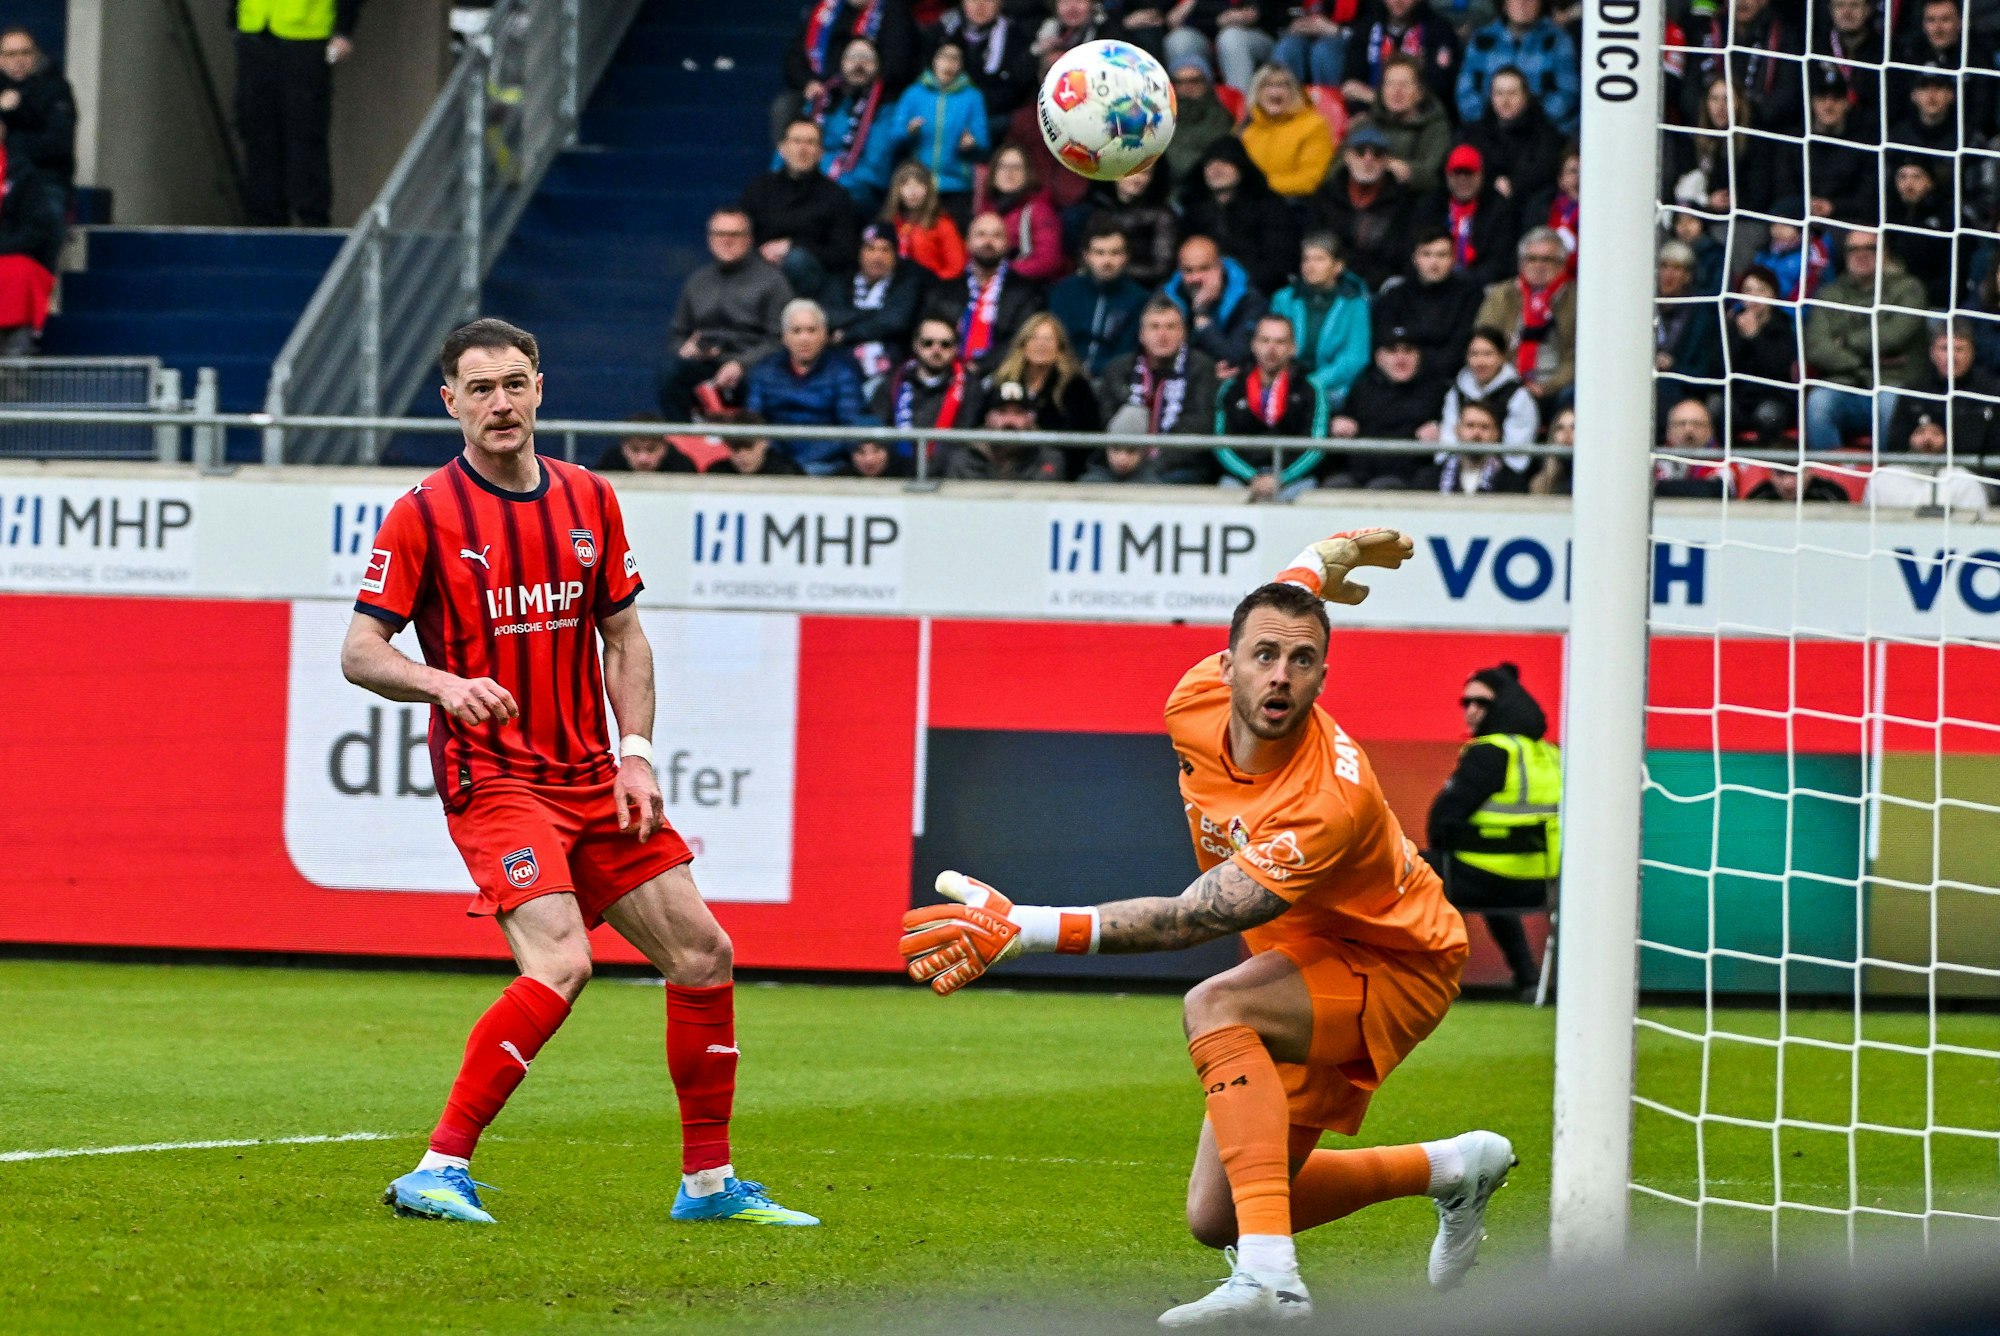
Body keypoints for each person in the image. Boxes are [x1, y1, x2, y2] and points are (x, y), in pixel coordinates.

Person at [900, 533, 1507, 1327]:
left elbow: (1195, 917)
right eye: (1263, 657)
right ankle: (1455, 1167)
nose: (1280, 675)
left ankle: (1271, 1282)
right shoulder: (1193, 701)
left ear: (1324, 677)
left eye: (1301, 662)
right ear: (1227, 668)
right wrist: (1316, 560)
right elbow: (1279, 606)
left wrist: (1030, 928)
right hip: (1304, 956)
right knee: (1216, 1217)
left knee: (1217, 1006)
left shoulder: (1329, 797)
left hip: (1398, 959)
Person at [349, 319, 817, 1229]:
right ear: (450, 402)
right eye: (479, 389)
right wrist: (444, 683)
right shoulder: (423, 515)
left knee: (702, 953)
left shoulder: (590, 497)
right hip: (496, 777)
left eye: (514, 384)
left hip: (591, 775)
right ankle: (437, 1170)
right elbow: (362, 652)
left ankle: (709, 1187)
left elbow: (624, 634)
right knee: (563, 960)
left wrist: (635, 754)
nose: (500, 404)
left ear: (539, 390)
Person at [1424, 661, 1560, 1000]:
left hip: (1482, 882)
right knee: (1485, 872)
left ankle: (1425, 978)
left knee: (1411, 868)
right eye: (1466, 702)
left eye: (1481, 703)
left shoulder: (1489, 752)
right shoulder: (1547, 753)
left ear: (1502, 705)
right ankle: (1527, 978)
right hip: (1543, 884)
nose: (1470, 711)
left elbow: (1441, 819)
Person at [233, 0, 358, 227]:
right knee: (257, 135)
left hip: (307, 36)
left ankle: (311, 225)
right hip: (254, 28)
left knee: (305, 137)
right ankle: (264, 225)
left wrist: (344, 29)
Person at [1802, 230, 1931, 449]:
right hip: (1847, 384)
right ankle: (1831, 479)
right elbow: (1816, 347)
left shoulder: (1909, 288)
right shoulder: (1829, 294)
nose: (1861, 255)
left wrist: (1846, 342)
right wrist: (1863, 363)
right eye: (1853, 249)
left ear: (1885, 253)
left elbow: (1894, 335)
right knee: (1818, 402)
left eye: (1870, 248)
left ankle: (1885, 476)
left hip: (1895, 382)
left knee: (1889, 401)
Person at [658, 207, 791, 419]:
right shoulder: (697, 281)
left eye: (734, 235)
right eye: (719, 234)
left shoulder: (773, 281)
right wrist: (686, 350)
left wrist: (740, 364)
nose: (726, 241)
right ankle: (685, 443)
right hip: (704, 365)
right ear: (710, 239)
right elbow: (677, 335)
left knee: (764, 380)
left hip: (752, 368)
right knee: (670, 372)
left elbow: (779, 339)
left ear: (749, 239)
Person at [1096, 297, 1222, 478]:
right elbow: (1106, 419)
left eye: (1170, 327)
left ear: (1183, 333)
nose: (1162, 334)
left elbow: (1199, 424)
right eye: (1154, 327)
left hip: (1180, 466)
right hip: (1121, 461)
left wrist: (1154, 461)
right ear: (1141, 334)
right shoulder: (1118, 369)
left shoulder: (1201, 368)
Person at [744, 298, 873, 474]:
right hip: (776, 464)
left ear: (824, 334)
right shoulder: (763, 371)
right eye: (796, 331)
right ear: (784, 336)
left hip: (827, 465)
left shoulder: (844, 371)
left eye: (812, 330)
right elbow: (754, 423)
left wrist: (802, 465)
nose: (804, 338)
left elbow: (851, 429)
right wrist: (784, 462)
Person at [740, 118, 860, 297]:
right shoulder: (759, 189)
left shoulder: (836, 196)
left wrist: (793, 246)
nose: (803, 149)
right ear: (782, 149)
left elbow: (844, 254)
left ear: (820, 152)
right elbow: (741, 235)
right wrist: (763, 254)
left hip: (816, 285)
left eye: (810, 142)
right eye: (796, 141)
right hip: (761, 274)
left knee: (797, 260)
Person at [1214, 313, 1328, 500]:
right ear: (1254, 345)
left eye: (1280, 342)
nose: (1271, 348)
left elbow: (1316, 447)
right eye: (1265, 340)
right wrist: (1252, 477)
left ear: (1293, 348)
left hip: (1294, 480)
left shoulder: (1311, 388)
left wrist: (1282, 478)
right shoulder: (1232, 388)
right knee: (1225, 494)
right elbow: (1221, 445)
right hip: (1243, 478)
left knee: (1309, 496)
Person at [1326, 326, 1449, 487]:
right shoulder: (1362, 388)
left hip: (1408, 477)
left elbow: (1452, 430)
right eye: (1392, 351)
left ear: (1419, 356)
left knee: (1381, 487)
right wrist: (1337, 423)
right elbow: (1343, 422)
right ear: (1378, 357)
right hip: (1358, 472)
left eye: (1408, 351)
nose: (1401, 358)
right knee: (1334, 486)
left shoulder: (1435, 392)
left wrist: (1440, 429)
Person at [923, 210, 1045, 372]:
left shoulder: (1026, 292)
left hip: (1003, 374)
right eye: (981, 235)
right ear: (967, 242)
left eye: (997, 236)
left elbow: (1021, 340)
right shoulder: (944, 290)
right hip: (948, 373)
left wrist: (980, 366)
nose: (988, 241)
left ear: (1007, 244)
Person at [1179, 140, 1301, 298]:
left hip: (1256, 291)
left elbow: (1279, 262)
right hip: (1198, 288)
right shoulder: (1194, 209)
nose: (1216, 169)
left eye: (1225, 162)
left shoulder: (1269, 206)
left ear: (1241, 167)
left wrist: (1234, 284)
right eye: (1209, 164)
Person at [792, 37, 900, 214]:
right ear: (841, 63)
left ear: (878, 66)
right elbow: (791, 148)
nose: (859, 64)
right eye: (852, 57)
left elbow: (875, 170)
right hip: (811, 184)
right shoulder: (820, 100)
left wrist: (826, 183)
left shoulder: (887, 107)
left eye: (867, 58)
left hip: (855, 195)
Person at [1304, 124, 1416, 292]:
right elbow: (1315, 240)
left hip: (1381, 287)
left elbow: (1401, 253)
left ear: (1387, 161)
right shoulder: (1326, 195)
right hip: (1331, 282)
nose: (1368, 159)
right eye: (1360, 151)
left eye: (1377, 153)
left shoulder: (1404, 201)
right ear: (1347, 157)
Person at [1268, 234, 1372, 412]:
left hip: (1336, 388)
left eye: (1319, 259)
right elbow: (1273, 341)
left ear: (1338, 267)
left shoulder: (1355, 305)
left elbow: (1355, 357)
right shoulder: (1284, 299)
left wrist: (1314, 383)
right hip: (1287, 383)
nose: (1310, 266)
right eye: (1306, 259)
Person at [820, 222, 928, 391]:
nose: (877, 257)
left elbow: (896, 321)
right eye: (870, 249)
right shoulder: (841, 281)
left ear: (895, 255)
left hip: (890, 373)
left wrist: (848, 333)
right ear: (860, 253)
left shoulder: (907, 281)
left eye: (885, 250)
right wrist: (875, 315)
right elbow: (828, 316)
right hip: (841, 368)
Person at [1474, 225, 1572, 408]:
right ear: (1520, 263)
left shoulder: (1576, 298)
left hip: (1557, 387)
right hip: (1507, 383)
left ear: (1562, 263)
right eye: (1531, 259)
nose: (1538, 265)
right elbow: (1484, 342)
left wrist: (1546, 388)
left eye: (1547, 259)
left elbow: (1576, 357)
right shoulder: (1501, 295)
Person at [780, 0, 919, 126]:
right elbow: (794, 58)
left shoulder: (893, 10)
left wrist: (857, 83)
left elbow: (898, 65)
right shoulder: (823, 11)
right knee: (785, 106)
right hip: (823, 91)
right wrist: (808, 82)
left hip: (875, 96)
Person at [894, 38, 990, 218]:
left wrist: (971, 143)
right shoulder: (914, 93)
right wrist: (909, 132)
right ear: (933, 60)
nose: (949, 63)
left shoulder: (972, 96)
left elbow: (983, 141)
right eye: (944, 57)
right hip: (918, 185)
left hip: (956, 185)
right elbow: (893, 136)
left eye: (955, 58)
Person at [1371, 227, 1483, 380]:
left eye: (1442, 255)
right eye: (1426, 254)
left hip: (1446, 379)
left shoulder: (1469, 296)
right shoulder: (1394, 296)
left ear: (1453, 259)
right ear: (1415, 258)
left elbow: (1459, 348)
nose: (1434, 262)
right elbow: (1383, 345)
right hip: (1396, 378)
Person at [1455, 0, 1576, 131]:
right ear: (1504, 3)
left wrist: (1525, 120)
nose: (1522, 3)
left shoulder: (1558, 40)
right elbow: (1465, 95)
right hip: (1489, 134)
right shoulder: (1481, 40)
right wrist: (1496, 121)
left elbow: (1567, 94)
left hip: (1542, 134)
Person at [1049, 220, 1151, 374]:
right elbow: (1058, 342)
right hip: (1065, 375)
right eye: (1099, 253)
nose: (1107, 261)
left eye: (1115, 253)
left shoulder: (1139, 299)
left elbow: (1128, 354)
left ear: (1126, 256)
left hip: (1114, 379)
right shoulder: (1065, 291)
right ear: (1086, 256)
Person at [1165, 234, 1270, 374]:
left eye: (1204, 268)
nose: (1196, 278)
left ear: (1219, 267)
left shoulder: (1248, 299)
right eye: (1188, 270)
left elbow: (1235, 356)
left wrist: (1202, 320)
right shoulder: (1168, 297)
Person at [987, 312, 1103, 438]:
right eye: (1034, 338)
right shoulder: (1004, 380)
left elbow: (1086, 431)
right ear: (1023, 344)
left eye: (1047, 339)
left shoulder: (1076, 387)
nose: (1040, 345)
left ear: (1059, 348)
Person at [1459, 68, 1564, 206]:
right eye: (1499, 93)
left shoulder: (1544, 134)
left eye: (1512, 93)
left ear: (1525, 96)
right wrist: (1491, 182)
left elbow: (1545, 171)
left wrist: (1515, 184)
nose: (1505, 100)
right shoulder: (1474, 134)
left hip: (1528, 206)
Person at [0, 127, 64, 353]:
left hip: (11, 255)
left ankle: (14, 369)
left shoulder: (22, 173)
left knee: (20, 274)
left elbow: (35, 230)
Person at [873, 315, 983, 444]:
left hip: (950, 461)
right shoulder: (893, 382)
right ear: (915, 345)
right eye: (928, 343)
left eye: (945, 344)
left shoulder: (970, 387)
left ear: (955, 348)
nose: (936, 350)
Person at [1351, 56, 1450, 197]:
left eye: (1404, 84)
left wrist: (1398, 168)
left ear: (1420, 92)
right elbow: (1337, 170)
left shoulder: (1436, 128)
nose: (1396, 91)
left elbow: (1434, 176)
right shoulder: (1365, 124)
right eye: (1390, 84)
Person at [927, 0, 1040, 123]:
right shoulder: (942, 31)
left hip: (990, 117)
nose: (980, 5)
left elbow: (1013, 92)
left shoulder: (1016, 39)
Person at [1868, 409, 1994, 516]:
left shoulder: (1964, 481)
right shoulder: (1883, 478)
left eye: (1936, 433)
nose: (1927, 439)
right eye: (1920, 432)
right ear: (1909, 437)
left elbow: (1976, 529)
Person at [1342, 0, 1461, 113]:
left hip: (1422, 118)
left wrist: (1388, 101)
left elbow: (1438, 90)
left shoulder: (1440, 30)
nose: (1398, 1)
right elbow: (1350, 86)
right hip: (1372, 115)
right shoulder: (1367, 27)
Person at [974, 143, 1069, 285]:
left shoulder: (1039, 210)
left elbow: (1049, 260)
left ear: (1028, 174)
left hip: (1029, 289)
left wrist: (998, 273)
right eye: (1003, 167)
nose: (1009, 173)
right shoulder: (986, 211)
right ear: (993, 173)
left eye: (1016, 167)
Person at [1427, 145, 1520, 289]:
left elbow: (1499, 262)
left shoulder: (1499, 209)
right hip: (1434, 279)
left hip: (1478, 285)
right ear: (1447, 175)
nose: (1463, 179)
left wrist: (1459, 279)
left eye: (1469, 173)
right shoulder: (1431, 206)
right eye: (1457, 173)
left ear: (1481, 175)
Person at [1238, 64, 1335, 200]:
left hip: (1294, 203)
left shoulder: (1314, 125)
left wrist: (1261, 185)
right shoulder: (1246, 129)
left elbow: (1311, 180)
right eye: (1267, 85)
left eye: (1282, 85)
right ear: (1256, 93)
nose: (1275, 92)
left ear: (1294, 92)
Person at [1726, 264, 1799, 444]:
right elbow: (1720, 367)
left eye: (1761, 290)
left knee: (1768, 414)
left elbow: (1777, 370)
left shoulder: (1784, 326)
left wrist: (1754, 337)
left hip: (1774, 397)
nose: (1754, 297)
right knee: (1717, 407)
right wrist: (1741, 338)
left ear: (1773, 294)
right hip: (1740, 397)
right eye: (1748, 290)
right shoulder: (1730, 326)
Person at [940, 377, 1066, 479]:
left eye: (1018, 412)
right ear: (988, 418)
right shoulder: (965, 460)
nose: (1010, 421)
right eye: (1002, 412)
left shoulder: (1048, 460)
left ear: (1030, 419)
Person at [1653, 239, 1722, 414]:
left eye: (1676, 268)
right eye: (1664, 266)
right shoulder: (1643, 308)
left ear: (1688, 275)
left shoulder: (1703, 314)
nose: (1668, 274)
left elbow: (1707, 371)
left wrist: (1673, 367)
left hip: (1687, 392)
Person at [1088, 160, 1181, 289]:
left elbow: (1162, 267)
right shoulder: (1099, 208)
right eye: (1130, 171)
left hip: (1142, 289)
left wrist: (1113, 269)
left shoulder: (1162, 215)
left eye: (1145, 173)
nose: (1137, 178)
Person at [1439, 325, 1535, 449]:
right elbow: (1448, 439)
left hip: (1500, 467)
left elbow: (1516, 454)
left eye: (1488, 354)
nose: (1480, 362)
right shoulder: (1456, 392)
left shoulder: (1519, 396)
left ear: (1501, 357)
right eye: (1474, 354)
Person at [0, 28, 75, 187]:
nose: (19, 60)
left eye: (25, 53)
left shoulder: (55, 89)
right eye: (11, 54)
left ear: (35, 55)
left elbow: (58, 144)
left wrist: (7, 139)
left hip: (44, 179)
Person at [1161, 53, 1239, 187]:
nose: (1186, 87)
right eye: (1179, 82)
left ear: (1207, 83)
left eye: (1194, 80)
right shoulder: (1162, 117)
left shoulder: (1220, 116)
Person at [881, 161, 967, 281]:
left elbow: (956, 268)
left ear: (929, 188)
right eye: (906, 184)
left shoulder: (942, 224)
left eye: (919, 184)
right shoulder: (888, 223)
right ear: (897, 190)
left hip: (932, 290)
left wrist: (932, 283)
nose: (913, 190)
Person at [1426, 398, 1532, 492]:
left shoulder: (1513, 483)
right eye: (1470, 425)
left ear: (1496, 434)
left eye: (1484, 427)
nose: (1476, 434)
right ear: (1457, 430)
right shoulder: (1430, 478)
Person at [1271, 0, 1353, 89]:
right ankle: (1283, 98)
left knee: (1323, 51)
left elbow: (1366, 24)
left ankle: (1328, 100)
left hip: (1345, 35)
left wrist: (1338, 30)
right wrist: (1291, 26)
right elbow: (1277, 18)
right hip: (1302, 36)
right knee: (1286, 48)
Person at [706, 417, 810, 476]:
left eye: (749, 447)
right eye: (735, 449)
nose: (742, 456)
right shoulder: (717, 473)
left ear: (764, 443)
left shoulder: (786, 473)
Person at [1078, 441, 1169, 483]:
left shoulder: (1153, 487)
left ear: (1142, 453)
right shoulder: (1089, 483)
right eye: (1116, 449)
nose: (1122, 458)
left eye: (1131, 451)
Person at [833, 436, 911, 478]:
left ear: (888, 452)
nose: (869, 459)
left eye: (876, 450)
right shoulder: (839, 478)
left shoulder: (910, 473)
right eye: (861, 452)